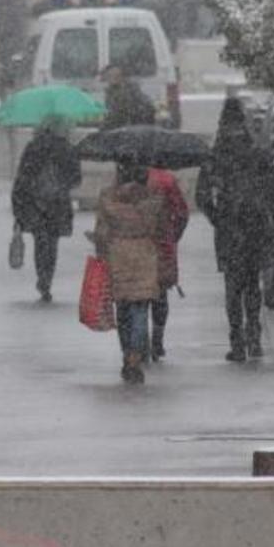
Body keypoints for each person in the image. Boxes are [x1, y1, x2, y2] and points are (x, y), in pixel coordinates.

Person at [196, 98, 274, 363]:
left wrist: (218, 218)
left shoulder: (215, 155)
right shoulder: (258, 153)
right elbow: (273, 195)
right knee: (253, 284)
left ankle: (236, 341)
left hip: (229, 227)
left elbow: (201, 196)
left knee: (233, 287)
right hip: (256, 226)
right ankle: (254, 338)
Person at [93, 160, 166, 383]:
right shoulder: (154, 199)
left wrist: (101, 249)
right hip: (145, 255)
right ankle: (135, 356)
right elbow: (162, 229)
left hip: (118, 256)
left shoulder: (108, 199)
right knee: (141, 308)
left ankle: (127, 354)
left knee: (123, 310)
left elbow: (101, 233)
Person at [11, 117, 83, 302]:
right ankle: (47, 279)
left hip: (36, 204)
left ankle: (42, 277)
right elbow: (76, 179)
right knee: (52, 243)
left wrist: (18, 209)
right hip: (57, 204)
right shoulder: (66, 148)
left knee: (40, 241)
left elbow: (22, 178)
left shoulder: (33, 148)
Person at [146, 167, 190, 361]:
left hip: (134, 245)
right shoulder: (167, 180)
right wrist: (173, 235)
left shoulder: (126, 178)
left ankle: (136, 343)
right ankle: (157, 339)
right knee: (160, 294)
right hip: (162, 243)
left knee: (136, 296)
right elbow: (182, 213)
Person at [101, 64, 156, 130]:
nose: (113, 78)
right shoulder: (110, 92)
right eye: (109, 76)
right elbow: (111, 114)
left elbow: (121, 112)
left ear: (121, 76)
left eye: (116, 75)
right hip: (122, 127)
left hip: (134, 127)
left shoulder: (131, 90)